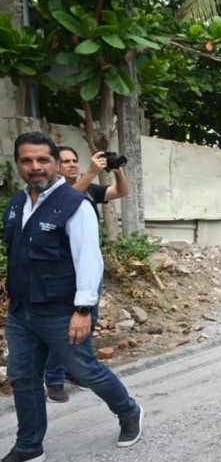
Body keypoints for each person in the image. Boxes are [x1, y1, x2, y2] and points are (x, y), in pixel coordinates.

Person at [0, 132, 143, 462]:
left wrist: (82, 310)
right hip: (22, 311)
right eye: (27, 160)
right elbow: (16, 252)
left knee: (85, 371)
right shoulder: (18, 203)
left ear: (55, 163)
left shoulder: (75, 204)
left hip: (61, 310)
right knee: (23, 377)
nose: (35, 167)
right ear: (19, 164)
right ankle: (29, 446)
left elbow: (89, 261)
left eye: (42, 160)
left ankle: (128, 411)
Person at [43, 146, 131, 403]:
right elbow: (65, 203)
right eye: (65, 162)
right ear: (55, 167)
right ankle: (54, 379)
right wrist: (92, 172)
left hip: (89, 270)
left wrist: (118, 170)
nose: (72, 165)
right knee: (62, 327)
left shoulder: (89, 189)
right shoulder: (54, 194)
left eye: (74, 160)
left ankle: (76, 370)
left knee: (86, 324)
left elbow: (121, 192)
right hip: (64, 273)